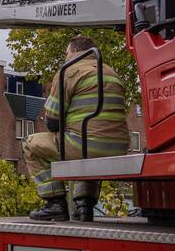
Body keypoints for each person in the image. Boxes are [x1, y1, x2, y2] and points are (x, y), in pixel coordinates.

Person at [23, 35, 129, 222]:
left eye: (66, 53)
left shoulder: (68, 71)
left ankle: (54, 204)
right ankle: (84, 206)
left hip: (87, 146)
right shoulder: (112, 73)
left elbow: (52, 121)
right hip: (118, 148)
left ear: (73, 51)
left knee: (31, 144)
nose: (65, 57)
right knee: (86, 148)